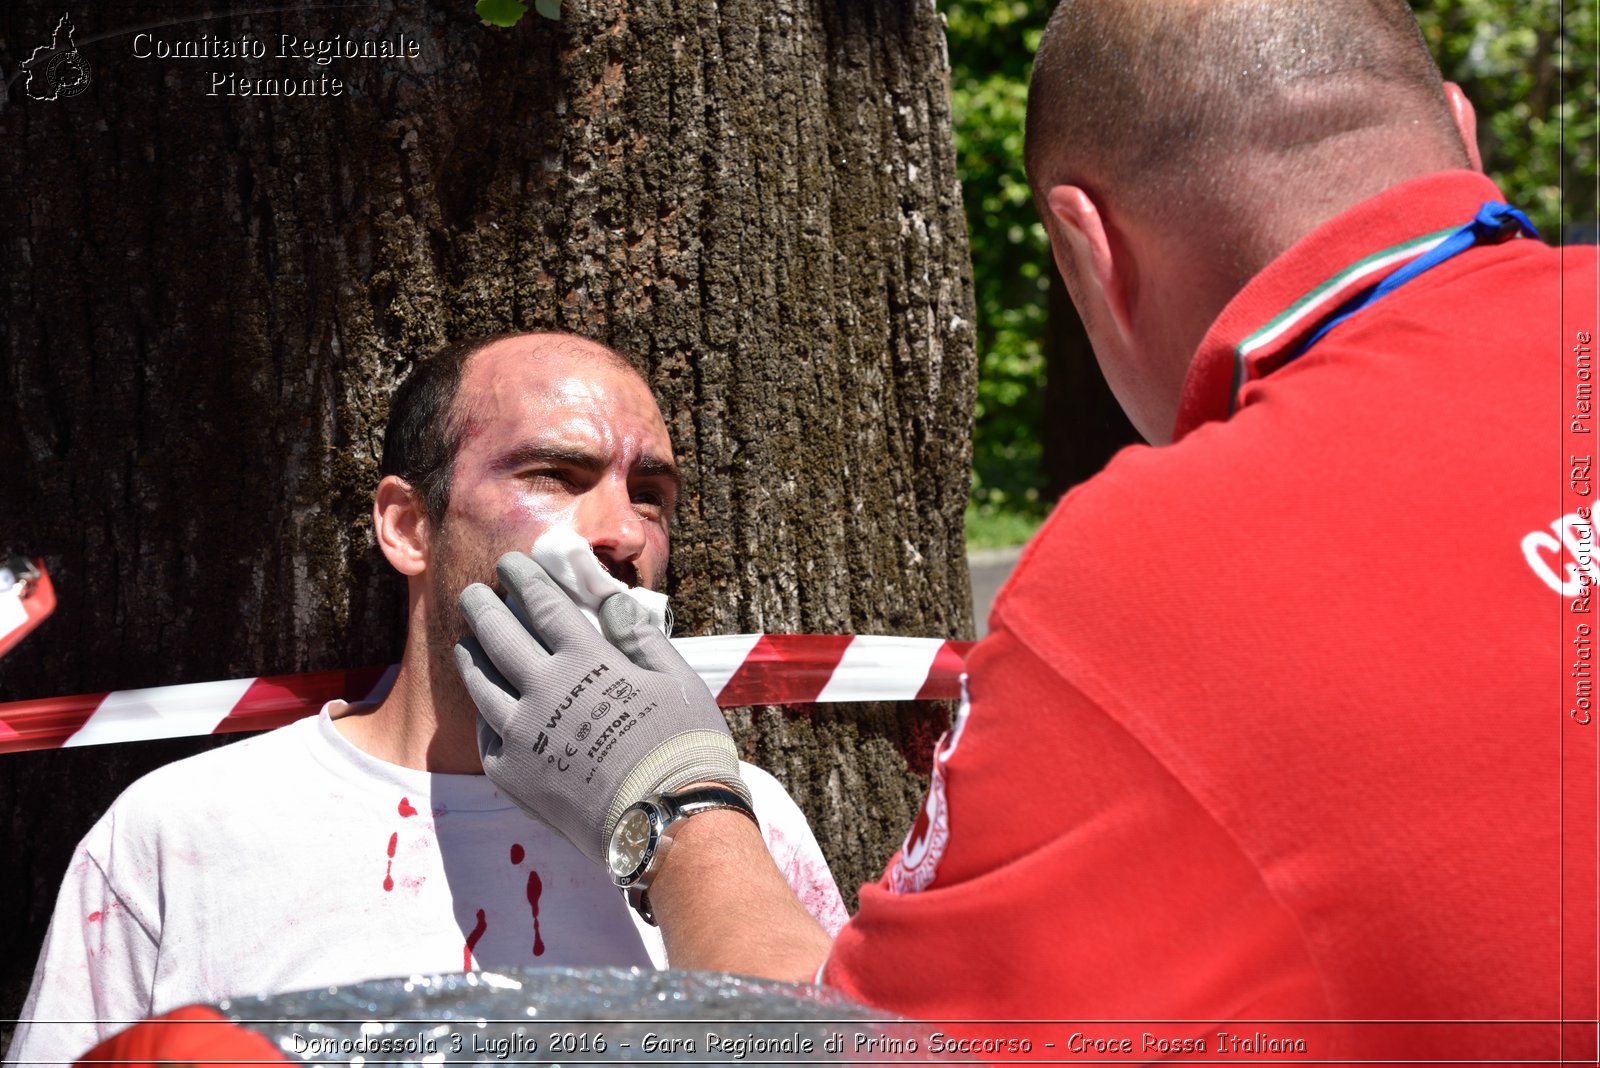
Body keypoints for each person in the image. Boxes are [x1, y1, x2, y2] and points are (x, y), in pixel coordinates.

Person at [452, 1, 1597, 1060]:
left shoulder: (1166, 576)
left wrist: (670, 799)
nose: (613, 533)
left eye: (649, 486)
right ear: (1459, 126)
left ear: (1086, 245)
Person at [5, 332, 847, 1065]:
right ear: (409, 527)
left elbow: (844, 1054)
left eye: (650, 496)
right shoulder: (179, 833)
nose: (623, 532)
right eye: (556, 475)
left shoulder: (736, 819)